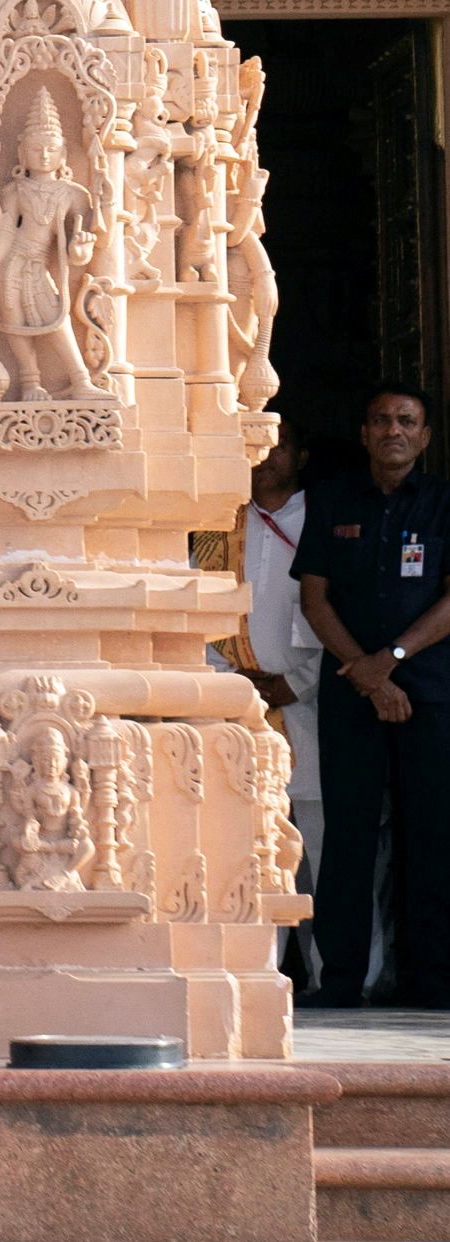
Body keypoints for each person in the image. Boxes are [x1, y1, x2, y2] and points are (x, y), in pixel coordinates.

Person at [295, 387, 450, 1009]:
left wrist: (391, 662)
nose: (394, 430)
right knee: (349, 836)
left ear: (425, 436)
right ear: (364, 433)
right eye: (382, 419)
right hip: (351, 694)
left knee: (431, 834)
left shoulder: (443, 503)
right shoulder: (332, 500)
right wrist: (366, 674)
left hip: (429, 695)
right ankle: (340, 981)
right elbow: (313, 598)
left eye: (407, 421)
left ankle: (429, 980)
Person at [238, 438, 322, 969]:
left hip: (308, 704)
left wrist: (302, 680)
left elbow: (336, 605)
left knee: (321, 842)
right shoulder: (217, 519)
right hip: (237, 704)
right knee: (250, 846)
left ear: (301, 455)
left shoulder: (322, 517)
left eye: (283, 445)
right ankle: (260, 967)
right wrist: (230, 680)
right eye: (261, 444)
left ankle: (338, 975)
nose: (270, 456)